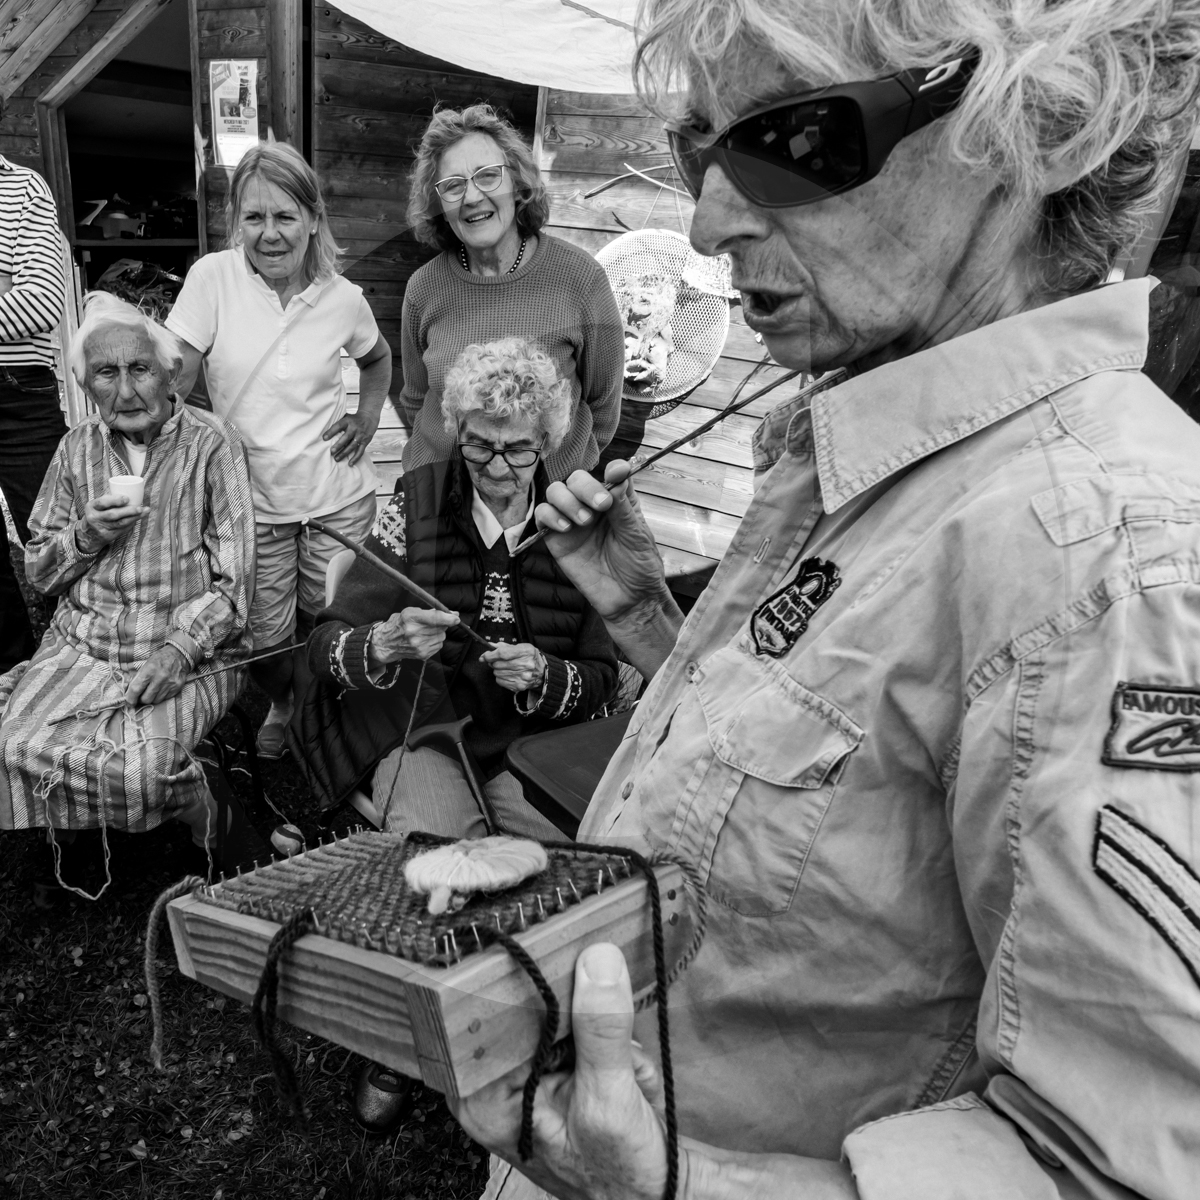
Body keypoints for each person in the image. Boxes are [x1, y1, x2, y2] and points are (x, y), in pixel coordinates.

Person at [451, 2, 1200, 1199]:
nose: (707, 222)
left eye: (795, 141)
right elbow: (831, 845)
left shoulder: (1108, 559)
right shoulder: (890, 442)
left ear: (1045, 127)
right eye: (702, 149)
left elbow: (1128, 1172)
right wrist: (653, 626)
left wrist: (670, 1190)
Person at [298, 336, 619, 1132]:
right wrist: (385, 643)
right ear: (456, 433)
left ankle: (529, 1032)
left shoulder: (578, 518)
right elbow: (327, 647)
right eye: (479, 445)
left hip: (527, 746)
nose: (498, 468)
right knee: (441, 869)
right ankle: (406, 1044)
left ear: (548, 442)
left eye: (517, 449)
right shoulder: (417, 502)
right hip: (427, 731)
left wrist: (547, 679)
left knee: (563, 875)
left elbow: (614, 680)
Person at [0, 294, 254, 892]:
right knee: (9, 743)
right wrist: (88, 533)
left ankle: (203, 804)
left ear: (170, 374)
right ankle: (93, 805)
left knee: (144, 768)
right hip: (84, 646)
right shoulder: (75, 448)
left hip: (186, 652)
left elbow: (235, 582)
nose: (127, 389)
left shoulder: (214, 445)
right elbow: (38, 568)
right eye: (107, 374)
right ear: (87, 387)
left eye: (139, 369)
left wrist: (180, 651)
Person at [167, 141, 392, 759]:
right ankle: (285, 701)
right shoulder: (213, 279)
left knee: (331, 618)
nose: (269, 234)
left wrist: (367, 415)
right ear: (236, 220)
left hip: (335, 495)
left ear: (313, 218)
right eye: (253, 217)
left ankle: (325, 712)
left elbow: (377, 359)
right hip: (253, 501)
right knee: (263, 634)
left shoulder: (341, 295)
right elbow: (176, 375)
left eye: (285, 216)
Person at [400, 104, 624, 480]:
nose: (472, 197)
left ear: (518, 184)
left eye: (488, 176)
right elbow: (416, 400)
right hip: (439, 500)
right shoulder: (423, 289)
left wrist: (559, 475)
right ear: (438, 205)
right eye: (453, 186)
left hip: (545, 505)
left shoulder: (581, 280)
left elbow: (602, 405)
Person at [0, 133, 67, 674]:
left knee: (57, 540)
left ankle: (82, 660)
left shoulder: (23, 189)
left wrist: (13, 292)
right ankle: (12, 672)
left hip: (19, 394)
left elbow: (42, 301)